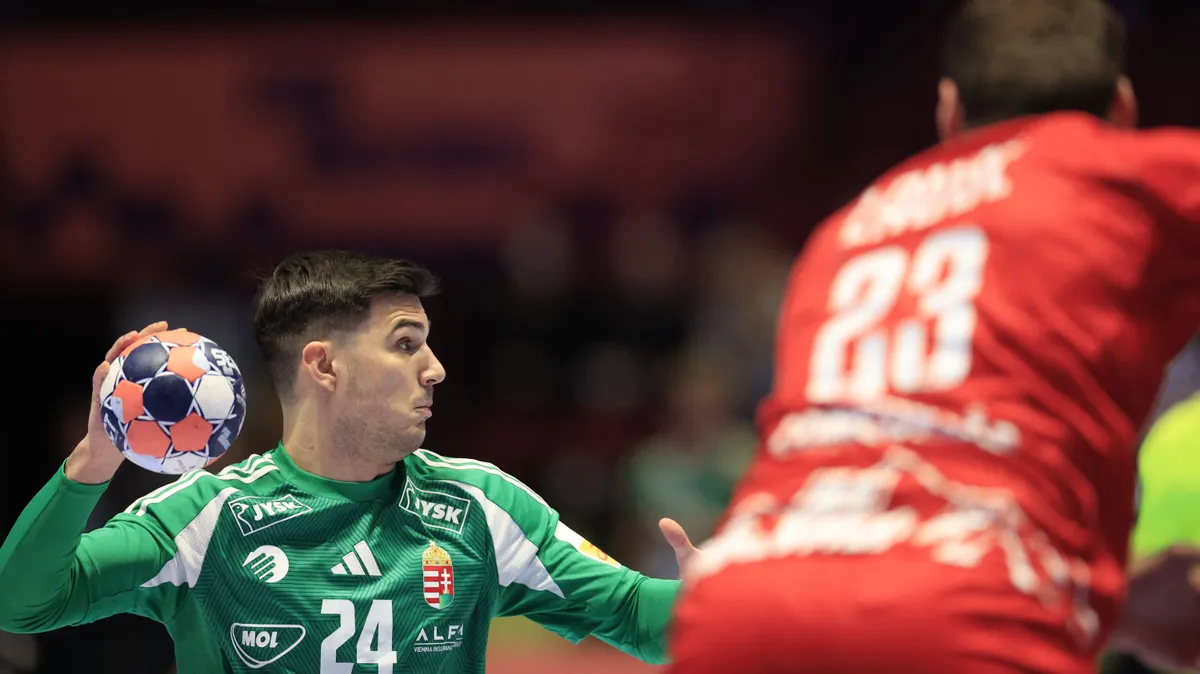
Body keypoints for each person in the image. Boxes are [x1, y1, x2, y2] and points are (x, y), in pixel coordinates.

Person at [665, 0, 1200, 672]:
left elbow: (900, 488)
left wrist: (1114, 604)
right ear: (1122, 108)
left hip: (740, 603)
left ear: (948, 112)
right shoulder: (1122, 174)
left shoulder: (846, 231)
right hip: (970, 602)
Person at [0, 250, 699, 673]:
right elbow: (20, 603)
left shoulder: (482, 509)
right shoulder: (204, 518)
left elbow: (638, 618)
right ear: (324, 365)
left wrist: (724, 599)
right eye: (406, 344)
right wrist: (91, 461)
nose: (436, 369)